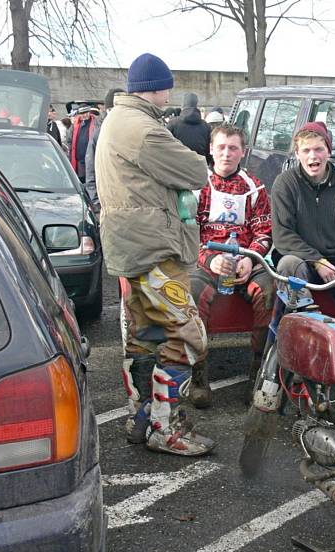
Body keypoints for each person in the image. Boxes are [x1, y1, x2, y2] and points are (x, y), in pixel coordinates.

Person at [95, 52, 214, 457]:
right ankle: (167, 429)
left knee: (145, 336)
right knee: (185, 335)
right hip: (156, 249)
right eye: (168, 85)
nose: (170, 93)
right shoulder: (143, 130)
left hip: (133, 249)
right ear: (156, 88)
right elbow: (198, 171)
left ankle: (142, 417)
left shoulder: (116, 120)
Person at [189, 124, 274, 408]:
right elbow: (189, 233)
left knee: (269, 291)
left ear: (243, 152)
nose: (227, 153)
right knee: (191, 294)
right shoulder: (196, 185)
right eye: (221, 147)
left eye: (233, 148)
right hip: (207, 261)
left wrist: (249, 259)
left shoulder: (255, 186)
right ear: (211, 149)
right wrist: (212, 259)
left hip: (247, 259)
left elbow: (264, 232)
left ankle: (258, 373)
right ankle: (198, 374)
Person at [271, 121, 335, 326]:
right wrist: (318, 261)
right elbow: (283, 236)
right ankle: (302, 327)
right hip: (302, 262)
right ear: (297, 154)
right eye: (306, 150)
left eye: (318, 149)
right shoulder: (285, 184)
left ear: (328, 151)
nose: (313, 156)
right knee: (288, 265)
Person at [85, 87, 124, 212]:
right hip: (107, 202)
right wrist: (97, 202)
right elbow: (91, 169)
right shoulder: (99, 133)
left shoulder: (131, 130)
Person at [168, 92, 213, 162]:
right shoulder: (206, 126)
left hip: (177, 166)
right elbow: (209, 151)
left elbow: (165, 148)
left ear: (182, 105)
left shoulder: (172, 124)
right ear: (196, 104)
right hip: (199, 166)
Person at [66, 106, 98, 181]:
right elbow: (69, 139)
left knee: (91, 179)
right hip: (79, 160)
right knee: (81, 179)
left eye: (86, 112)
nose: (84, 115)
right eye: (82, 113)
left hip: (92, 158)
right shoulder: (75, 124)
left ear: (89, 112)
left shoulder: (96, 123)